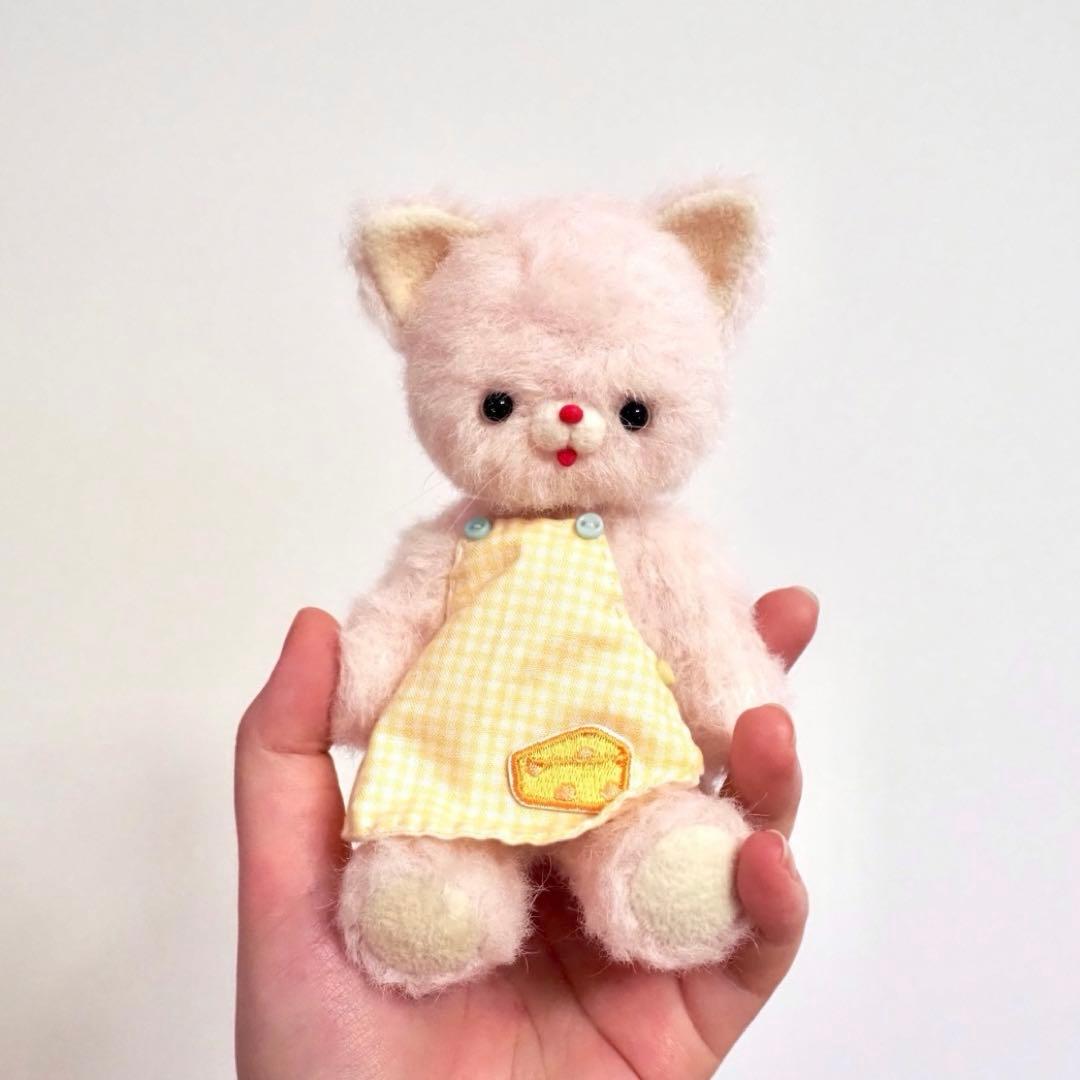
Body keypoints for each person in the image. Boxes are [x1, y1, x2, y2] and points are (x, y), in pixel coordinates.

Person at [235, 586, 817, 1078]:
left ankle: (652, 857)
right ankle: (439, 888)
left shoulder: (653, 547)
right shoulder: (448, 548)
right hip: (465, 759)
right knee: (447, 836)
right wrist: (368, 675)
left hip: (619, 750)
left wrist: (732, 696)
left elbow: (697, 619)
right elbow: (401, 619)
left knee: (639, 818)